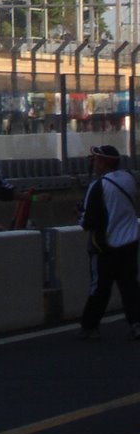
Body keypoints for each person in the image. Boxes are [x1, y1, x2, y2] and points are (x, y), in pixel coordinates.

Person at [75, 144, 139, 340]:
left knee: (100, 287)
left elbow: (87, 222)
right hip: (130, 242)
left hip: (105, 246)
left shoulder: (98, 186)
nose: (94, 163)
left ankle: (90, 326)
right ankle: (136, 323)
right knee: (129, 286)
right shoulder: (129, 178)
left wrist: (79, 214)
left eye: (96, 160)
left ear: (103, 163)